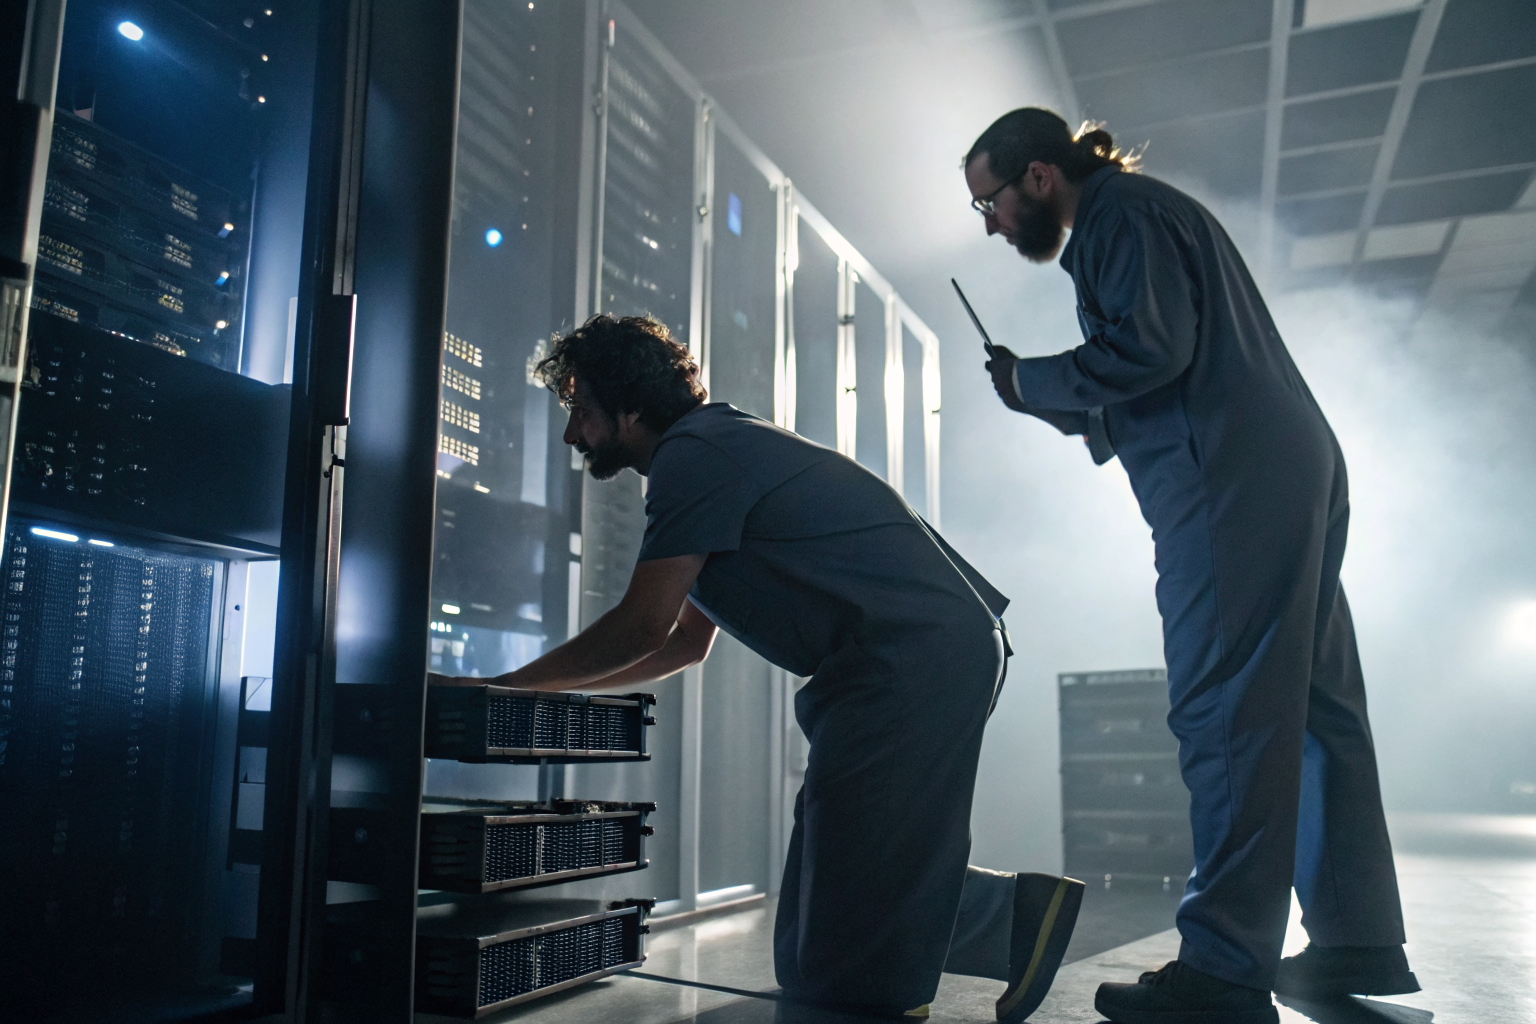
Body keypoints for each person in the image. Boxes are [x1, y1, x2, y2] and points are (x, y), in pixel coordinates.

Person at [431, 314, 1083, 1021]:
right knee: (818, 922)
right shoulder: (713, 450)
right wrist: (538, 692)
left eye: (580, 412)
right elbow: (682, 643)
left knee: (841, 963)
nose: (570, 435)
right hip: (899, 660)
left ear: (629, 406)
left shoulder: (694, 458)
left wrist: (501, 689)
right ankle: (1021, 917)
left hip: (911, 657)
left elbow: (641, 627)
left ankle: (908, 987)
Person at [962, 107, 1419, 1024]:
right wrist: (1047, 401)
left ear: (1041, 178)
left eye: (993, 202)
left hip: (1228, 484)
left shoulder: (1116, 221)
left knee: (1227, 713)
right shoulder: (1161, 212)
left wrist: (1030, 379)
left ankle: (1222, 968)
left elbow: (1148, 351)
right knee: (1318, 712)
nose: (992, 224)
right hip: (1292, 466)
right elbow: (1167, 366)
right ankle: (1355, 943)